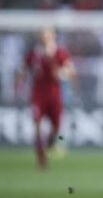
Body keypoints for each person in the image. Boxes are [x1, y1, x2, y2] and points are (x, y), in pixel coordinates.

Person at [18, 27, 76, 169]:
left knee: (56, 128)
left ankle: (49, 143)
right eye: (42, 34)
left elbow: (71, 71)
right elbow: (23, 70)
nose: (45, 37)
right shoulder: (34, 54)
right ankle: (40, 156)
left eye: (47, 34)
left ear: (52, 36)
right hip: (38, 95)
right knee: (37, 124)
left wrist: (61, 74)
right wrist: (19, 86)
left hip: (55, 95)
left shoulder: (60, 53)